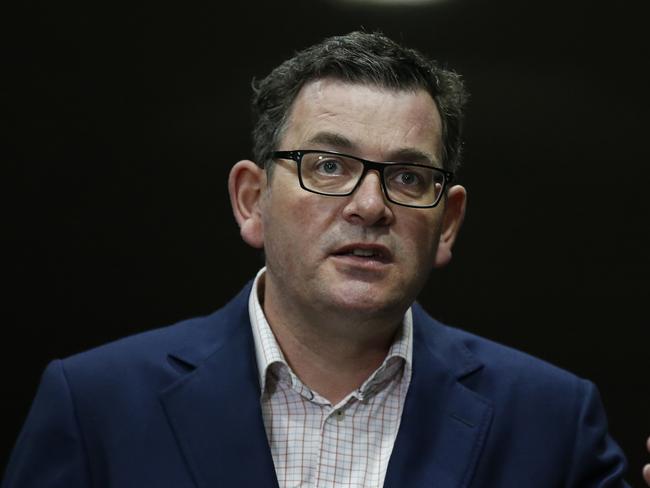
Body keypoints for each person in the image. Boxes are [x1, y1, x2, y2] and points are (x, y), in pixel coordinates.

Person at [1, 31, 640, 488]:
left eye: (409, 177)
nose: (369, 206)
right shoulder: (95, 405)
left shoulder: (553, 420)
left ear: (447, 224)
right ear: (252, 201)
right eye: (328, 166)